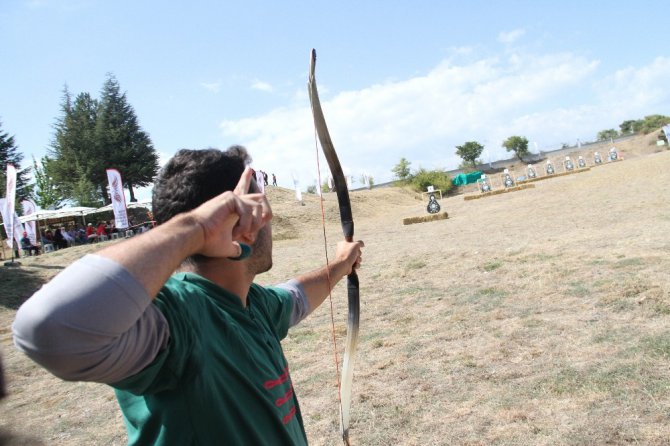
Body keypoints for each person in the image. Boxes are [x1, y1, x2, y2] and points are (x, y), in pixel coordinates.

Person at [13, 146, 364, 445]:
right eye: (261, 211)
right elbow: (45, 328)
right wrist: (198, 228)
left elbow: (297, 296)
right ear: (236, 222)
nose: (268, 223)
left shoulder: (252, 303)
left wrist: (340, 264)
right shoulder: (176, 317)